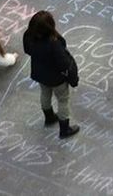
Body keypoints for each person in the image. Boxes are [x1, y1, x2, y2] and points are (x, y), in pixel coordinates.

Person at [23, 11, 80, 139]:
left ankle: (49, 117)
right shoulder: (54, 43)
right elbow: (64, 64)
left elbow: (27, 50)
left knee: (45, 93)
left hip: (40, 74)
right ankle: (64, 129)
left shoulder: (29, 36)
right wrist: (73, 78)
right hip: (57, 79)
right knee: (63, 100)